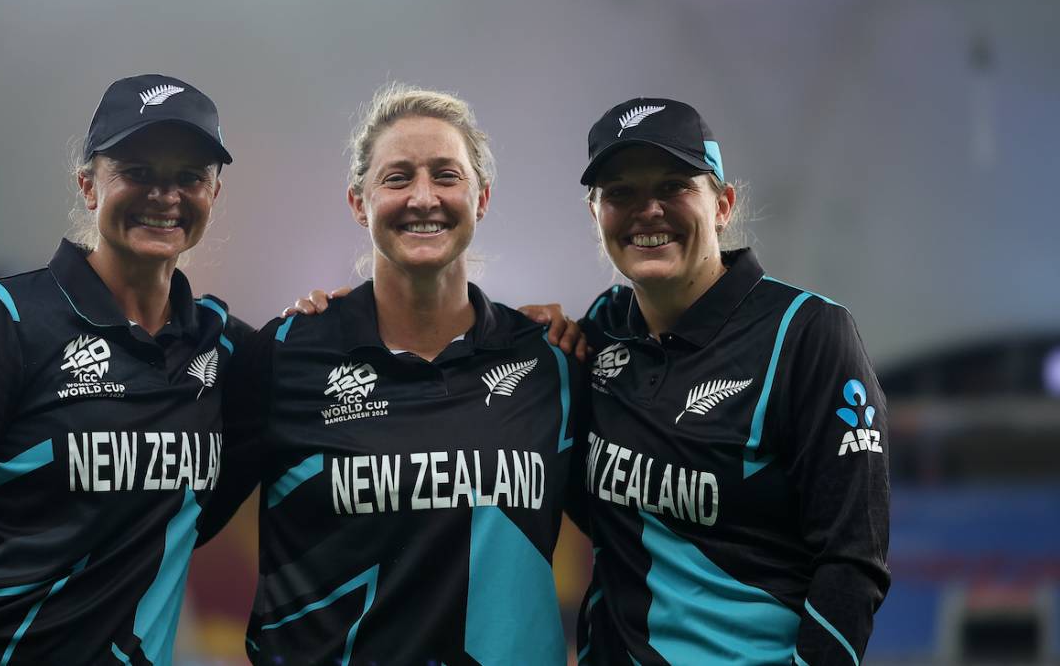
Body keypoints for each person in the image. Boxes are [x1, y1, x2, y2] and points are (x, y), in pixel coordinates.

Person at [0, 74, 252, 665]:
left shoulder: (226, 351)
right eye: (137, 172)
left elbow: (190, 514)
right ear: (89, 186)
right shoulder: (3, 320)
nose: (164, 195)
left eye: (189, 177)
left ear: (213, 195)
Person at [210, 84, 586, 665]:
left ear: (481, 198)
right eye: (397, 177)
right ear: (359, 202)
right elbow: (178, 517)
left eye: (446, 175)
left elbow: (640, 530)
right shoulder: (285, 356)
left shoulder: (550, 363)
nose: (422, 197)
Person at [571, 98, 890, 665]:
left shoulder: (809, 333)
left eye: (673, 187)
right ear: (596, 214)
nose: (648, 210)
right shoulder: (601, 328)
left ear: (722, 205)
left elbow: (853, 560)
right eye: (620, 193)